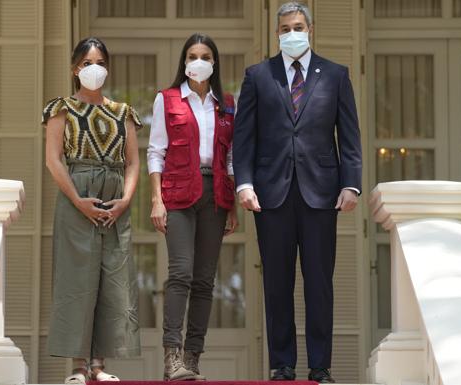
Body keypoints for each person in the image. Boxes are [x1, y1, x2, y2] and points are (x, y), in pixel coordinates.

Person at [233, 2, 362, 383]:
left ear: (310, 29)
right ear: (277, 33)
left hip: (321, 194)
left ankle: (320, 368)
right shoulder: (258, 75)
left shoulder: (336, 75)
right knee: (277, 283)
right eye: (286, 27)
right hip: (270, 195)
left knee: (320, 283)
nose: (293, 32)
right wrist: (244, 183)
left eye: (299, 26)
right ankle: (282, 365)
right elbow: (244, 138)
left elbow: (349, 136)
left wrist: (350, 183)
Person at [42, 37, 141, 384]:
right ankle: (77, 367)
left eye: (99, 62)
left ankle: (98, 365)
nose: (93, 68)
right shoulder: (61, 109)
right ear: (75, 69)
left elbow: (132, 163)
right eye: (86, 63)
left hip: (114, 200)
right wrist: (77, 200)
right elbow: (53, 160)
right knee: (76, 279)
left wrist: (125, 200)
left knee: (112, 278)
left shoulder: (124, 112)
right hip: (76, 196)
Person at [148, 33, 238, 381]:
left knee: (204, 281)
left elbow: (230, 156)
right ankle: (171, 357)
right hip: (178, 194)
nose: (198, 61)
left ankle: (192, 358)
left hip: (215, 195)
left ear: (214, 63)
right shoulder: (167, 100)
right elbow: (156, 151)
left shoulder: (227, 104)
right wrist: (156, 199)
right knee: (181, 273)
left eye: (205, 56)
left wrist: (231, 204)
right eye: (192, 55)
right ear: (184, 62)